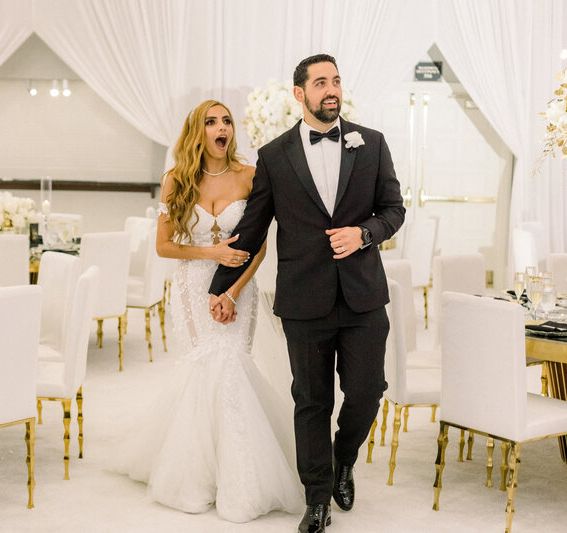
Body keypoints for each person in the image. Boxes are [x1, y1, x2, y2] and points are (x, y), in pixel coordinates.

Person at [209, 54, 405, 533]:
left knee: (366, 392)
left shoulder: (372, 144)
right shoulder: (274, 157)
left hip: (363, 297)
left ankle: (344, 459)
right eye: (321, 83)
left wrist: (364, 234)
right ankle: (316, 498)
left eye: (336, 80)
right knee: (311, 401)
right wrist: (222, 288)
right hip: (304, 300)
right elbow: (253, 229)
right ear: (300, 94)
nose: (331, 89)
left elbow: (394, 210)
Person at [114, 99, 303, 523]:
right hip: (191, 290)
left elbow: (259, 244)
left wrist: (233, 291)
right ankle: (195, 478)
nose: (222, 128)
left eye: (227, 121)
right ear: (197, 132)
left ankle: (243, 482)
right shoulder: (176, 180)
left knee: (232, 365)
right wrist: (211, 252)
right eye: (211, 121)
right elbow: (164, 246)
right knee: (204, 368)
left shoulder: (251, 177)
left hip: (239, 287)